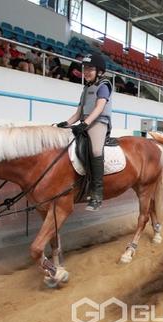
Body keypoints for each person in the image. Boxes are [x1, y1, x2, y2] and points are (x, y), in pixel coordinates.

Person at [56, 54, 111, 211]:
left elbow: (99, 108)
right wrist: (66, 123)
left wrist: (85, 123)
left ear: (99, 71)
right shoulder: (86, 89)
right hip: (85, 122)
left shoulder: (104, 86)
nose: (86, 72)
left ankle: (97, 194)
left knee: (95, 150)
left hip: (99, 123)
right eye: (85, 68)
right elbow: (78, 113)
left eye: (90, 69)